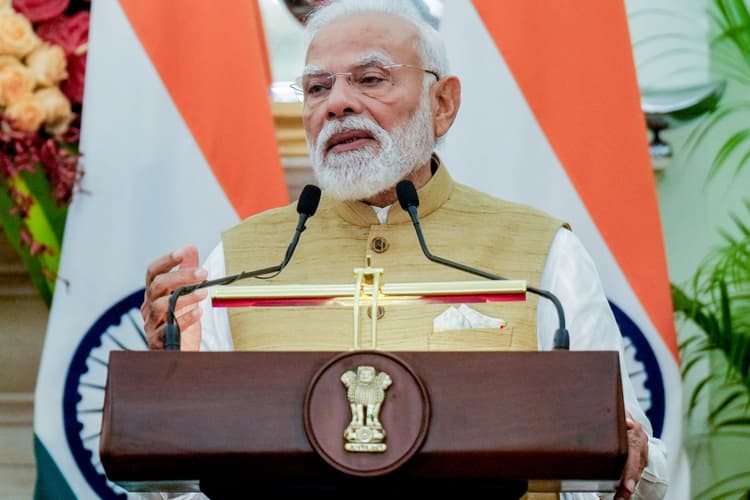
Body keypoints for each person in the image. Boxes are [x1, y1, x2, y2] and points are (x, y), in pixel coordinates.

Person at [140, 1, 668, 499]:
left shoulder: (544, 251)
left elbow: (630, 462)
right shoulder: (237, 262)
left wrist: (630, 451)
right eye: (317, 87)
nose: (337, 103)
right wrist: (171, 388)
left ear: (443, 104)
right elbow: (173, 485)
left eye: (370, 79)